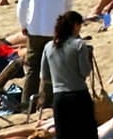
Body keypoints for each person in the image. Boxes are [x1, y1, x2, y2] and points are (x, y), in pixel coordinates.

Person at [17, 0, 75, 112]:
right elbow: (68, 7)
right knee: (52, 67)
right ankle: (47, 102)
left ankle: (27, 105)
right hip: (56, 30)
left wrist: (23, 24)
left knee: (33, 69)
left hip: (35, 28)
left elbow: (23, 3)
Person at [40, 11, 94, 139]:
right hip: (79, 95)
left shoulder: (48, 46)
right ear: (75, 25)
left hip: (59, 97)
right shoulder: (79, 44)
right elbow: (85, 72)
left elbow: (45, 76)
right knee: (87, 133)